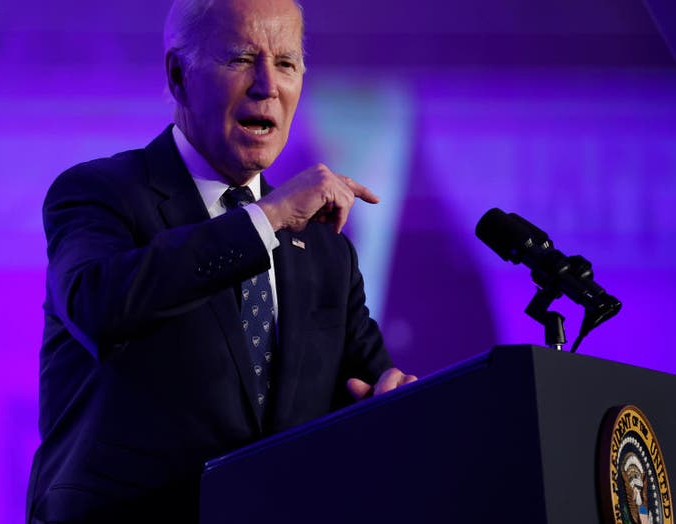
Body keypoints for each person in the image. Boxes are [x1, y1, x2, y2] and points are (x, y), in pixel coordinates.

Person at [26, 0, 417, 522]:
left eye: (286, 63)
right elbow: (99, 306)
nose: (266, 86)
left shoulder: (326, 250)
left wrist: (399, 403)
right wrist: (265, 218)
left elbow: (368, 387)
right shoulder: (100, 194)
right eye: (239, 59)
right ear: (178, 75)